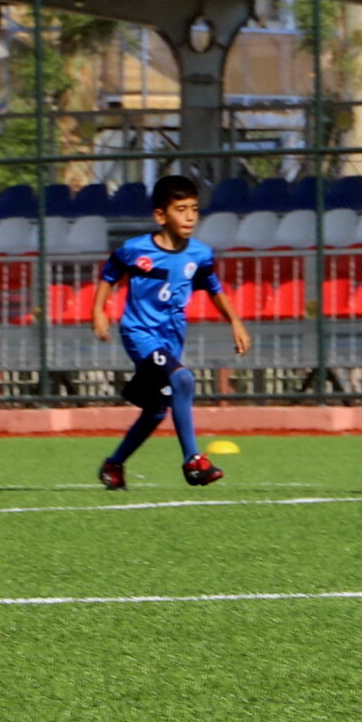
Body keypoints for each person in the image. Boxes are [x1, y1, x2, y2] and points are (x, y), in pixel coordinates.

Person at [92, 175, 251, 490]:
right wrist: (99, 310)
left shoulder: (200, 254)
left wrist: (235, 321)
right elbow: (109, 274)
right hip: (139, 333)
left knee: (155, 412)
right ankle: (193, 461)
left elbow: (214, 289)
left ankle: (114, 464)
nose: (190, 216)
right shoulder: (134, 250)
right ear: (161, 216)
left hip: (170, 340)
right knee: (183, 378)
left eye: (194, 209)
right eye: (181, 209)